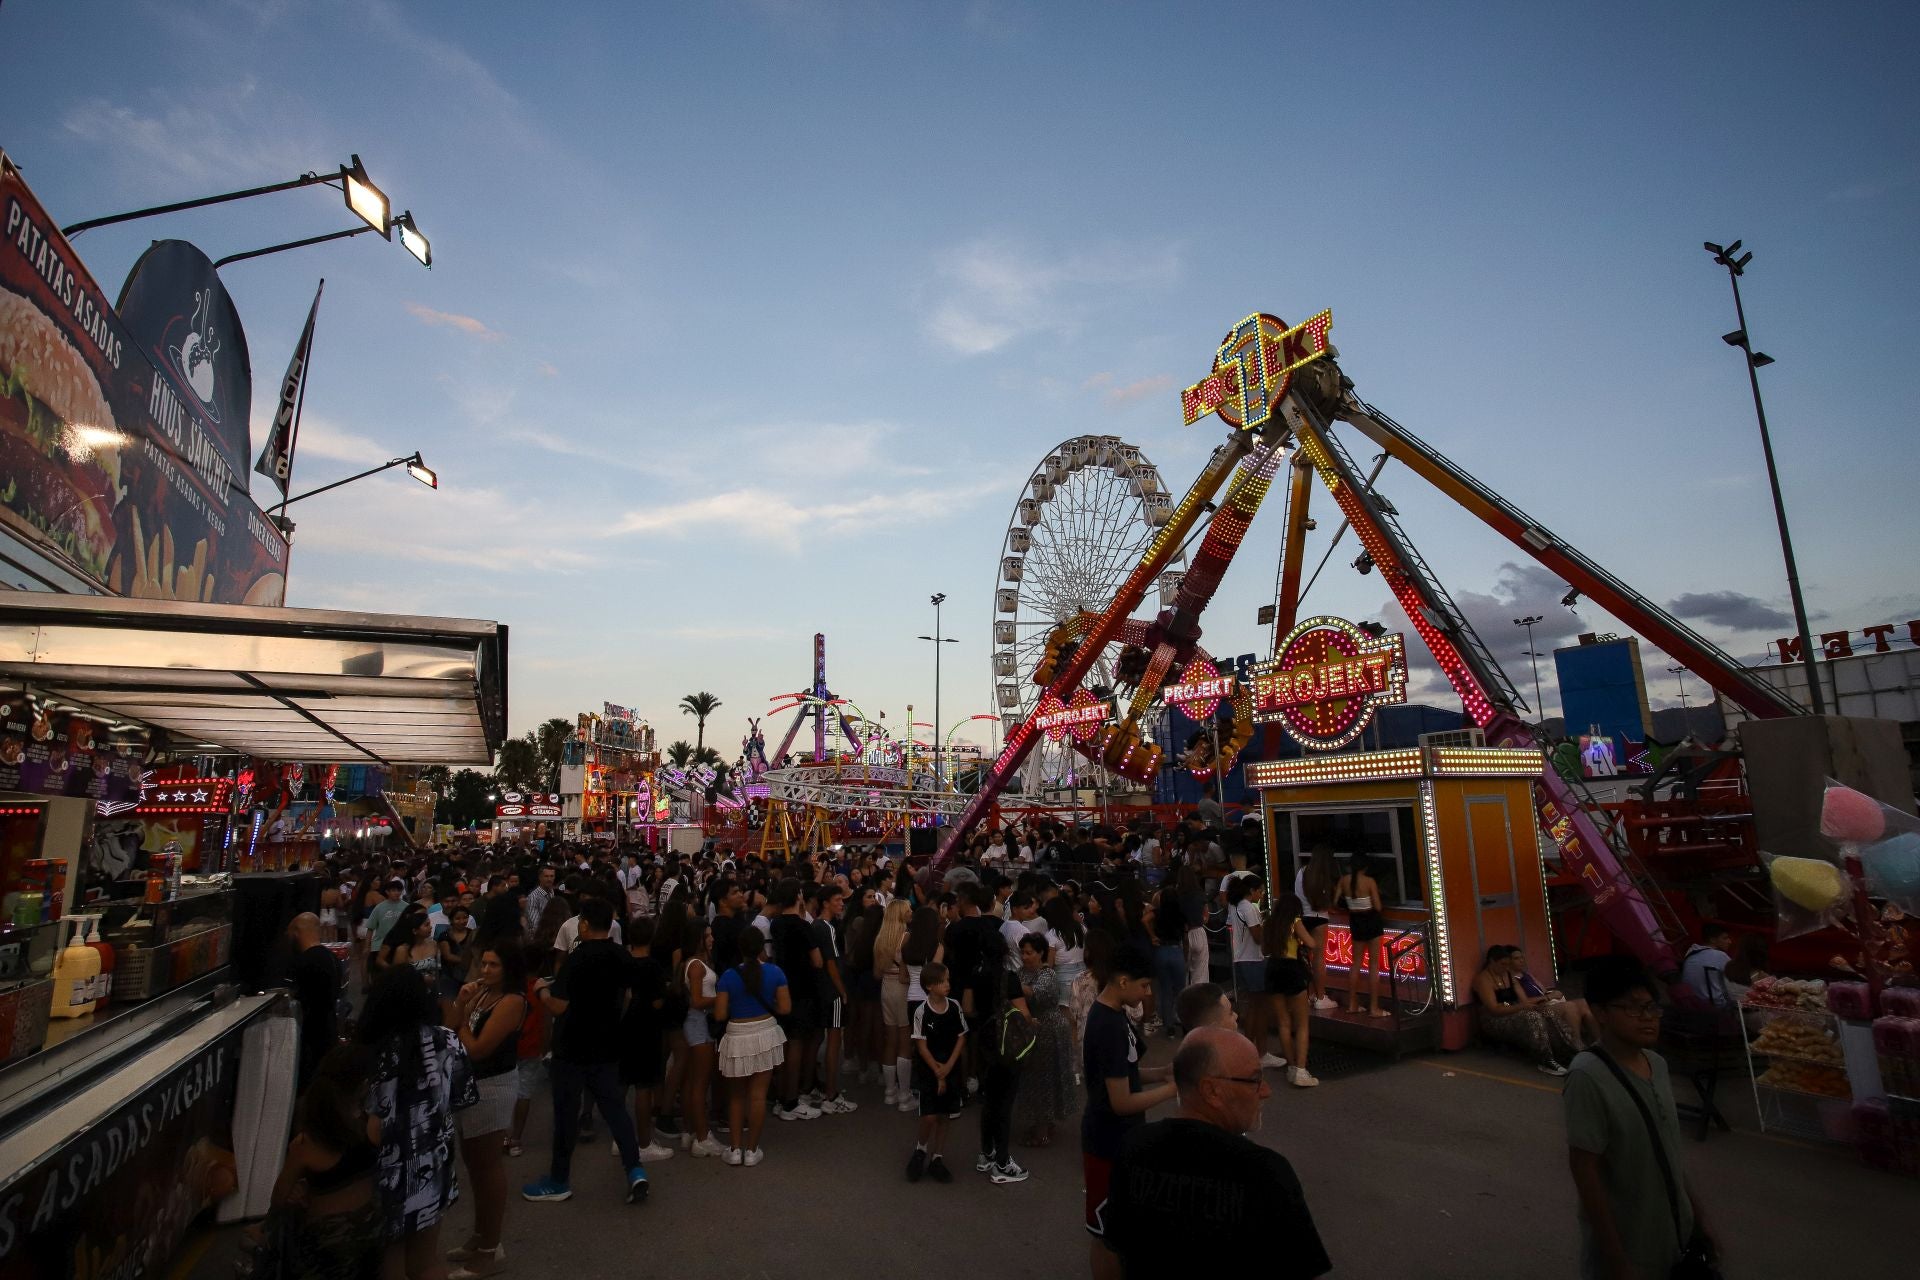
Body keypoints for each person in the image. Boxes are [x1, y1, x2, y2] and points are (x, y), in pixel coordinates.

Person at [1103, 1027, 1331, 1279]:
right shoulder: (1265, 1173)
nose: (1266, 1091)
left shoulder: (1135, 1147)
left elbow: (1113, 1250)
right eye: (1254, 1080)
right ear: (1212, 1091)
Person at [1565, 956, 1717, 1280]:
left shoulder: (1657, 1065)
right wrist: (1617, 1262)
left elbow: (1668, 1153)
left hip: (1675, 1238)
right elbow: (1586, 1173)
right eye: (1633, 1009)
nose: (1647, 1019)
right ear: (1601, 1012)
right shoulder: (1586, 1076)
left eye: (1651, 1008)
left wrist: (1698, 1221)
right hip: (1629, 1250)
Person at [520, 898, 649, 1205]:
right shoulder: (621, 955)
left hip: (572, 1047)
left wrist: (541, 990)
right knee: (616, 1110)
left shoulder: (577, 959)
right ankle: (635, 1170)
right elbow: (630, 994)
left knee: (566, 1113)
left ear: (586, 925)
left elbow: (560, 1005)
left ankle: (558, 1179)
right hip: (606, 1045)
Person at [360, 966, 478, 1280]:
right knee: (426, 1261)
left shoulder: (377, 1053)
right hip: (435, 1163)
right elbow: (464, 1096)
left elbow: (372, 1127)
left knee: (391, 1261)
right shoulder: (448, 1041)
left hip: (386, 1173)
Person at [236, 1043, 382, 1280]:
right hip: (371, 1227)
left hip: (326, 1240)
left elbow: (279, 1197)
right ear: (362, 1087)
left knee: (280, 1223)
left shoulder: (305, 1145)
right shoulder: (372, 1127)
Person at [1082, 943, 1177, 1280]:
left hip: (1122, 1139)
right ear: (1123, 982)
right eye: (1144, 986)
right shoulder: (1107, 1025)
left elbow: (1127, 1073)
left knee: (1120, 1227)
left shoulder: (1115, 1014)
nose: (1148, 993)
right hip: (1108, 1140)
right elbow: (1120, 1101)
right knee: (1106, 1232)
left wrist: (1163, 1072)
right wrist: (1170, 1089)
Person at [447, 942, 528, 1279]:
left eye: (494, 965)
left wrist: (461, 1020)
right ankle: (480, 1236)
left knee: (488, 1166)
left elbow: (478, 1048)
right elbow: (453, 1024)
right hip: (470, 1084)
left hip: (492, 1086)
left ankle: (490, 1248)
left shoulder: (511, 1001)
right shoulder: (482, 994)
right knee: (475, 1165)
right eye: (484, 963)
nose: (485, 970)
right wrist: (463, 1005)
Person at [713, 924, 791, 1167]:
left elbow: (719, 1014)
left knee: (736, 1096)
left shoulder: (728, 976)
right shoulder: (776, 972)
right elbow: (786, 1008)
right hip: (765, 1031)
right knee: (758, 1096)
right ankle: (752, 1149)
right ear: (761, 948)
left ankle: (735, 1148)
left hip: (737, 1033)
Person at [619, 916, 677, 1162]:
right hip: (647, 1029)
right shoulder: (652, 967)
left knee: (622, 1084)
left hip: (623, 1028)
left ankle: (619, 1137)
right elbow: (657, 1001)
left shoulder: (622, 963)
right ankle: (643, 1143)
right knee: (644, 1087)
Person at [767, 879, 824, 1121]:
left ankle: (782, 1097)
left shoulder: (776, 924)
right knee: (796, 1044)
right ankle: (791, 1100)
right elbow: (818, 961)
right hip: (802, 990)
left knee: (784, 1043)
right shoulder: (803, 927)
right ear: (798, 896)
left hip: (782, 986)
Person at [906, 961, 967, 1184]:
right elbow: (920, 1045)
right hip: (929, 1068)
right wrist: (937, 1071)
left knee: (945, 1115)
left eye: (948, 980)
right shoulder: (921, 1011)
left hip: (949, 1066)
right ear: (930, 986)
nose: (947, 985)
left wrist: (949, 1066)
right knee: (929, 1115)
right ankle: (920, 1149)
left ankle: (937, 1157)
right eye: (942, 982)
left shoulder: (954, 1006)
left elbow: (961, 1037)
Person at [1473, 945, 1576, 1076]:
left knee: (1547, 1012)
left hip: (1514, 1010)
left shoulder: (1508, 975)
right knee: (1532, 1017)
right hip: (1494, 1019)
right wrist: (1521, 1007)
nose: (1505, 968)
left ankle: (1567, 1051)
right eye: (1502, 964)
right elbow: (1494, 1009)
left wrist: (1538, 1003)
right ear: (1492, 962)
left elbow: (1523, 1000)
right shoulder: (1483, 979)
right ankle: (1545, 1060)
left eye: (1507, 964)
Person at [1012, 932, 1074, 1150]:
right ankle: (1043, 1124)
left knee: (1044, 1081)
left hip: (1049, 1031)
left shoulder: (1047, 974)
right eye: (1022, 952)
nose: (1025, 956)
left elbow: (1035, 993)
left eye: (1029, 952)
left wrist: (1011, 985)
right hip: (1032, 1033)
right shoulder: (1021, 972)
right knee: (1035, 1080)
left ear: (1040, 953)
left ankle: (1042, 1132)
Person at [676, 919, 728, 1158]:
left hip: (696, 1023)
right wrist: (720, 999)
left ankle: (691, 1129)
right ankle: (703, 1135)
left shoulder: (693, 963)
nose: (712, 939)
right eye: (707, 935)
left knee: (692, 1081)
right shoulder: (696, 965)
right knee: (700, 1082)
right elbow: (696, 1000)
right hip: (699, 1023)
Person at [810, 882, 858, 1113]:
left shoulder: (816, 925)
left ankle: (824, 1088)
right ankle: (831, 1093)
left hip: (820, 989)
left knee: (826, 1038)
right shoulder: (826, 927)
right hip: (832, 990)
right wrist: (843, 990)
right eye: (837, 900)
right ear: (826, 903)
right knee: (834, 1040)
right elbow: (831, 963)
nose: (841, 904)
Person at [1262, 892, 1319, 1087]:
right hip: (1292, 969)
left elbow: (1264, 950)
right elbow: (1312, 943)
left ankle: (1292, 1067)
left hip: (1272, 969)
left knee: (1283, 1023)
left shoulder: (1270, 923)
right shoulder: (1294, 922)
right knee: (1302, 1023)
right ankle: (1302, 1071)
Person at [284, 911, 343, 1094]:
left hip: (311, 1038)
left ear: (296, 932)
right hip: (328, 1030)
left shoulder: (305, 961)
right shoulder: (331, 958)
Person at [1224, 875, 1279, 1067]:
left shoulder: (1238, 906)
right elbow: (1257, 936)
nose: (1262, 894)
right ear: (1252, 890)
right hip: (1253, 960)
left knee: (1253, 1007)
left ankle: (1249, 1050)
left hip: (1243, 959)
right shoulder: (1249, 908)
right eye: (1261, 890)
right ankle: (1261, 1052)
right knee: (1260, 1008)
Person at [1337, 855, 1392, 1017]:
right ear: (1366, 867)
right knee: (1373, 966)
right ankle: (1374, 1008)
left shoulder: (1343, 880)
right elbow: (1378, 906)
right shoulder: (1370, 882)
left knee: (1355, 964)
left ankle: (1353, 1004)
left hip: (1356, 921)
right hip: (1371, 920)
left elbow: (1335, 901)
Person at [874, 900, 915, 1107]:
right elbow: (906, 974)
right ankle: (904, 1095)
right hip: (902, 988)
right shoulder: (906, 937)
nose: (911, 913)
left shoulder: (881, 938)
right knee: (904, 1039)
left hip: (885, 987)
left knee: (890, 1038)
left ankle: (890, 1091)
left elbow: (876, 971)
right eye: (908, 910)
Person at [1296, 844, 1341, 1010]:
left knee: (1306, 958)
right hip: (1319, 918)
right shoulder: (1326, 876)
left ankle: (1310, 995)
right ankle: (1321, 996)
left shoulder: (1302, 872)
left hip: (1303, 918)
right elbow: (1330, 903)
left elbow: (1297, 895)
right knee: (1320, 958)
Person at [1679, 924, 1744, 1011]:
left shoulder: (1691, 953)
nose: (1729, 942)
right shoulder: (1719, 955)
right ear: (1712, 940)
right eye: (1725, 938)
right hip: (1716, 1008)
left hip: (1693, 1005)